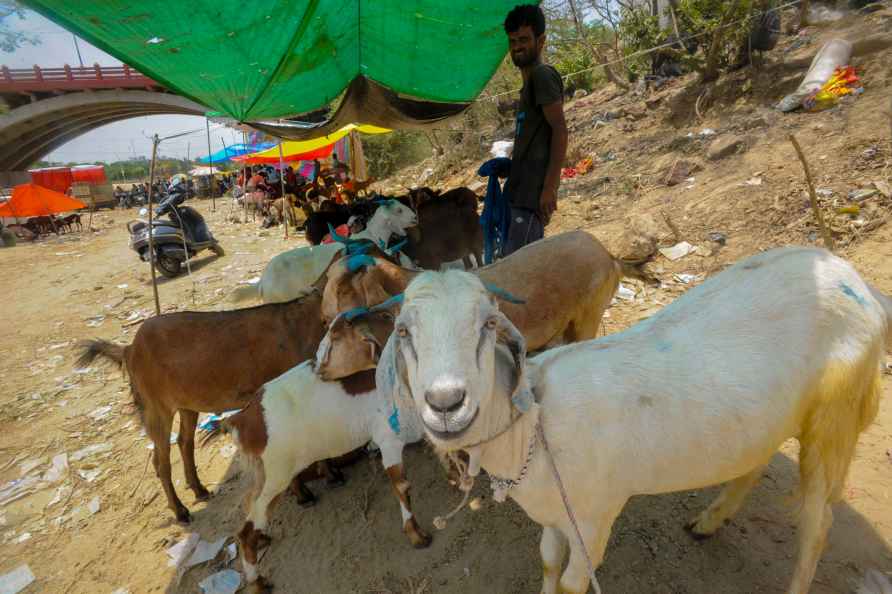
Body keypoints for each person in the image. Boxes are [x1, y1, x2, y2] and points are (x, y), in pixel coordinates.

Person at [501, 4, 567, 256]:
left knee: (517, 279)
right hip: (520, 193)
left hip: (532, 196)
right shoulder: (528, 84)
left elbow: (560, 130)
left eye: (524, 40)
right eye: (513, 41)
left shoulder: (542, 75)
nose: (517, 46)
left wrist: (550, 188)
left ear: (541, 41)